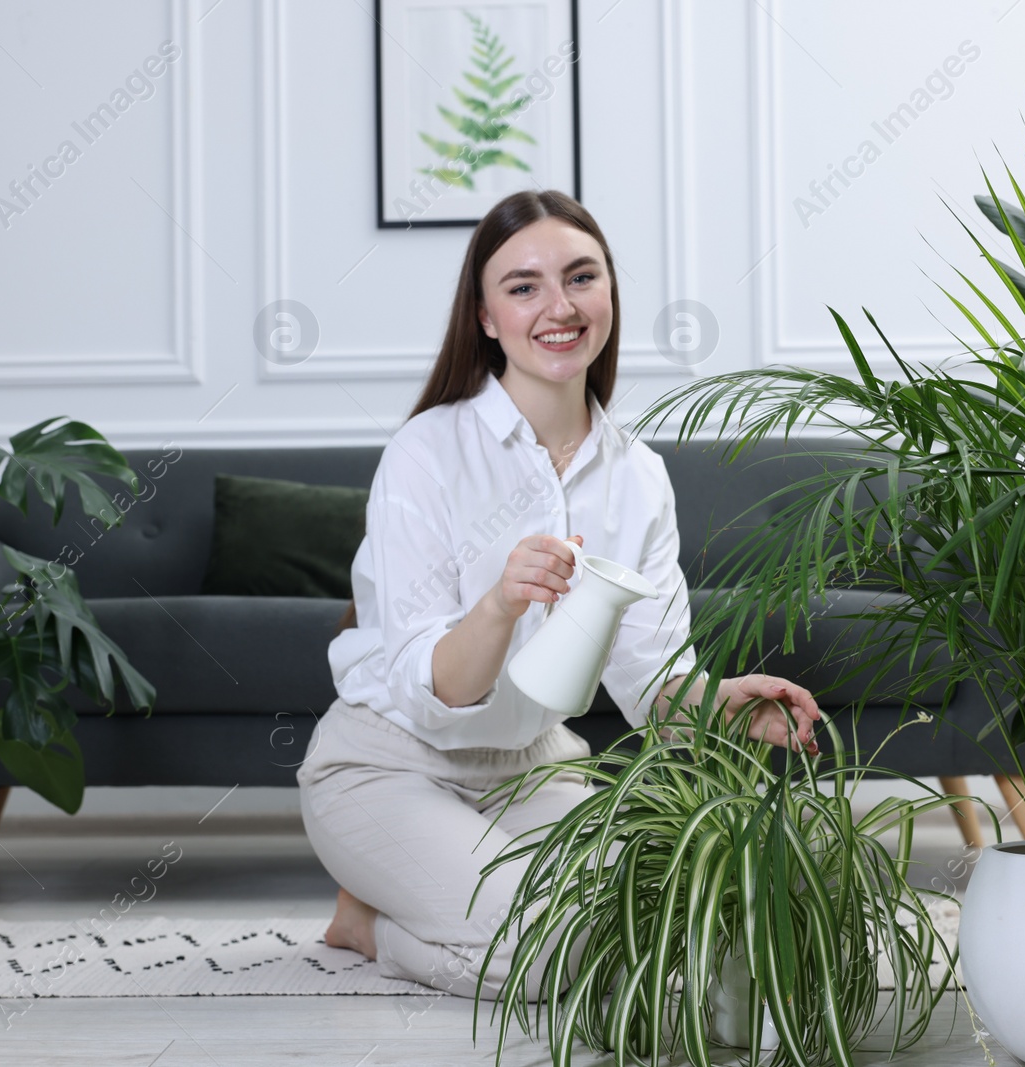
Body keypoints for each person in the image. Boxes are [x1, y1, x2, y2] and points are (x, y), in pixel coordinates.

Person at [295, 189, 822, 1004]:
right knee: (556, 955)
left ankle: (401, 907)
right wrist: (501, 605)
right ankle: (371, 927)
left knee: (644, 926)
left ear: (610, 291)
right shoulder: (426, 452)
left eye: (581, 277)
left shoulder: (639, 477)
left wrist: (724, 702)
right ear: (485, 316)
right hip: (388, 763)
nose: (559, 305)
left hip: (533, 768)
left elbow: (652, 687)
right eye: (524, 286)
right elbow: (434, 690)